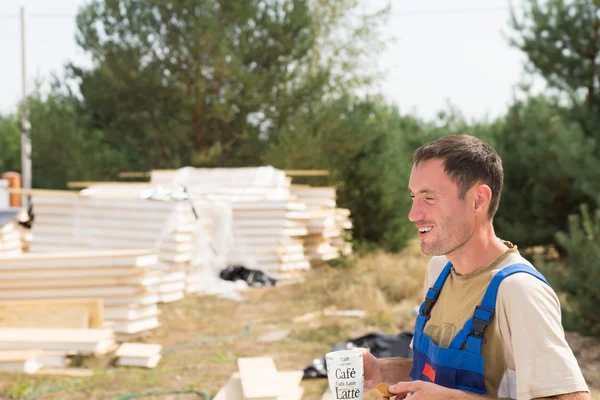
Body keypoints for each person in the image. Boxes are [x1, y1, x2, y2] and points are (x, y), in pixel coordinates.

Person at [361, 135, 590, 400]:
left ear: (478, 200)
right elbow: (428, 373)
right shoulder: (439, 271)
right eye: (413, 196)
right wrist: (381, 371)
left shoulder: (519, 291)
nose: (413, 214)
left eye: (429, 198)